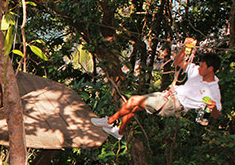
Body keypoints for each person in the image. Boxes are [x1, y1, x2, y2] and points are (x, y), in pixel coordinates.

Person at [91, 38, 222, 140]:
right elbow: (178, 61)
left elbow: (216, 115)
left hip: (173, 104)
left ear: (210, 69)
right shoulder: (196, 72)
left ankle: (109, 121)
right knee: (132, 108)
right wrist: (185, 47)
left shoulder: (213, 89)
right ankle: (119, 132)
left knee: (132, 100)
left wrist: (214, 106)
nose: (199, 68)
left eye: (202, 66)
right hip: (167, 96)